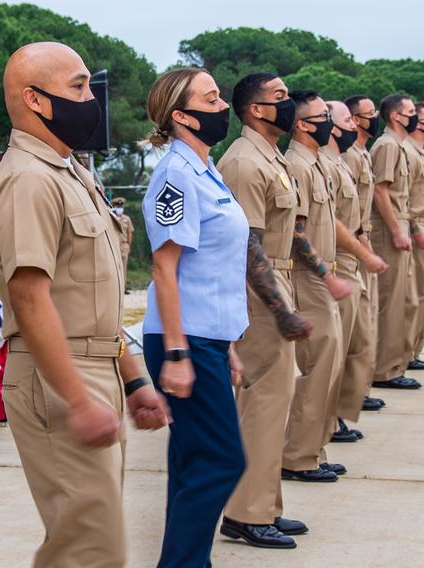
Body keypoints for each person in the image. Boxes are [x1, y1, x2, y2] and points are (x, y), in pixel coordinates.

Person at [0, 42, 170, 568]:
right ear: (36, 100)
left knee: (92, 540)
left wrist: (131, 380)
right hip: (59, 375)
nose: (92, 98)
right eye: (79, 86)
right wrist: (78, 399)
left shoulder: (69, 172)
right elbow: (29, 297)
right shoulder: (29, 179)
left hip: (94, 366)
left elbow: (94, 301)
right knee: (89, 546)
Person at [140, 67, 248, 567]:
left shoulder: (207, 170)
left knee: (193, 464)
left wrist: (228, 345)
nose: (222, 105)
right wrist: (181, 352)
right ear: (182, 115)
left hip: (207, 336)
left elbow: (215, 271)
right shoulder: (175, 175)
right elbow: (165, 268)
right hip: (184, 339)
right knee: (222, 461)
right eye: (211, 98)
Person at [215, 72, 313, 549]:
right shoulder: (242, 162)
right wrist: (281, 310)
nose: (288, 104)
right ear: (255, 109)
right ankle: (244, 513)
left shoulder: (269, 157)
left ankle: (264, 504)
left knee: (275, 403)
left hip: (279, 278)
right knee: (262, 403)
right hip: (260, 289)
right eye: (279, 98)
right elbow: (247, 245)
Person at [280, 90, 354, 483]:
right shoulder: (297, 165)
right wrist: (326, 275)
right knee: (316, 367)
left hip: (325, 273)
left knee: (330, 365)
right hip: (308, 277)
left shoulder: (316, 163)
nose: (331, 121)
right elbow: (296, 232)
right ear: (303, 124)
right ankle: (298, 456)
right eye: (323, 115)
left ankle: (314, 449)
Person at [320, 100, 388, 446]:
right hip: (339, 259)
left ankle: (337, 415)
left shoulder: (340, 161)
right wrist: (363, 250)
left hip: (352, 253)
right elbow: (331, 221)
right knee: (340, 349)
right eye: (348, 119)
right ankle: (327, 421)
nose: (356, 125)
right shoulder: (329, 164)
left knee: (357, 341)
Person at [369, 94, 422, 390]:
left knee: (403, 300)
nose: (414, 116)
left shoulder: (399, 146)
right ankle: (384, 369)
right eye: (410, 112)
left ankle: (395, 362)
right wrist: (397, 230)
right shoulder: (388, 145)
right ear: (395, 116)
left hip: (399, 223)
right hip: (390, 229)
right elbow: (380, 191)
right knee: (390, 302)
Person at [344, 95, 387, 412]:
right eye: (368, 114)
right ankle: (346, 400)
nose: (374, 118)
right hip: (348, 248)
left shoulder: (361, 153)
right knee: (353, 330)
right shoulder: (349, 156)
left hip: (361, 241)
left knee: (366, 322)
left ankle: (358, 391)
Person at [403, 102, 424, 372]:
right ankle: (406, 352)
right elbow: (400, 199)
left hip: (422, 226)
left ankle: (413, 349)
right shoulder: (408, 152)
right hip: (413, 229)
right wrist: (415, 230)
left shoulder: (420, 153)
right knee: (417, 294)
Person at [112, 196, 134, 292]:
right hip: (113, 245)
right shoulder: (111, 217)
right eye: (117, 206)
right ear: (114, 206)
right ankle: (114, 288)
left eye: (121, 206)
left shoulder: (127, 219)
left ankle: (123, 288)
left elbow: (130, 233)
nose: (119, 208)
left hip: (123, 245)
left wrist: (128, 245)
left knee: (123, 267)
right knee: (113, 267)